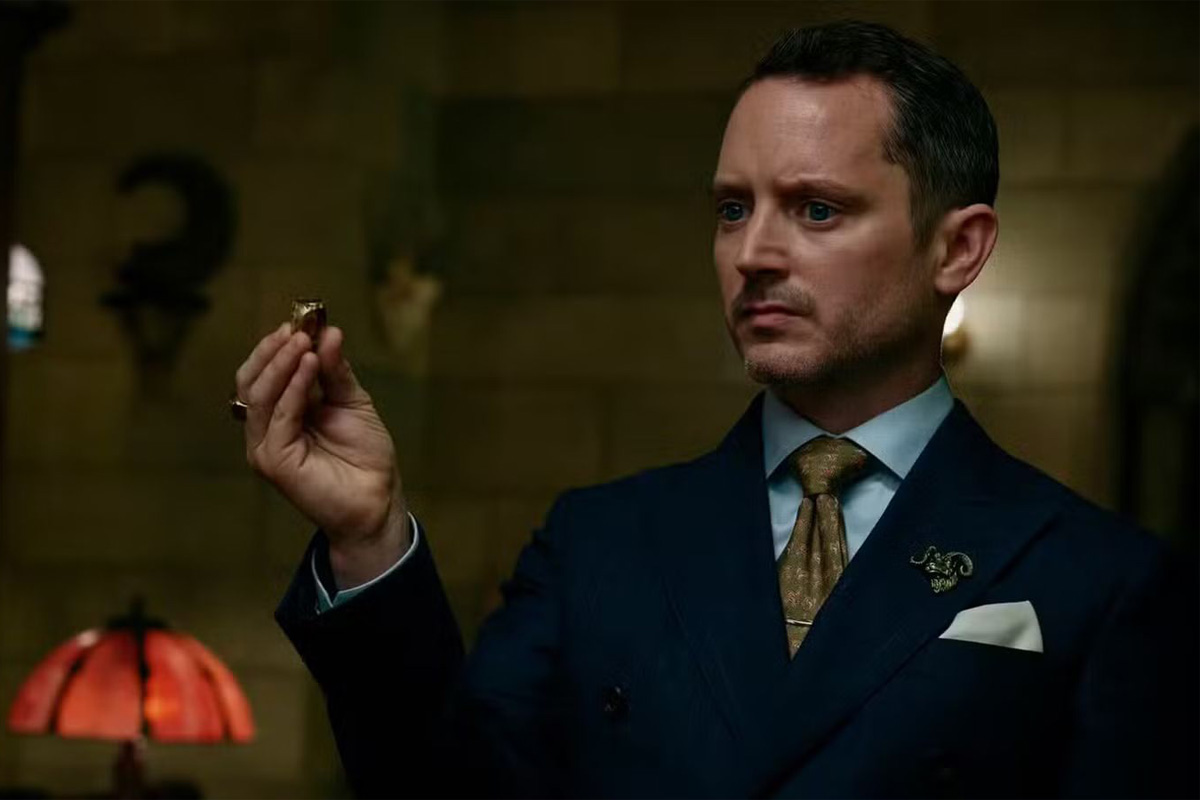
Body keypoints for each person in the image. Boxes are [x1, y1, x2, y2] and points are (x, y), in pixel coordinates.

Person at [235, 20, 1197, 798]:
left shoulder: (1100, 579)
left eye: (816, 209)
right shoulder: (598, 544)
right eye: (734, 209)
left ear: (957, 248)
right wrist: (369, 537)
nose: (754, 254)